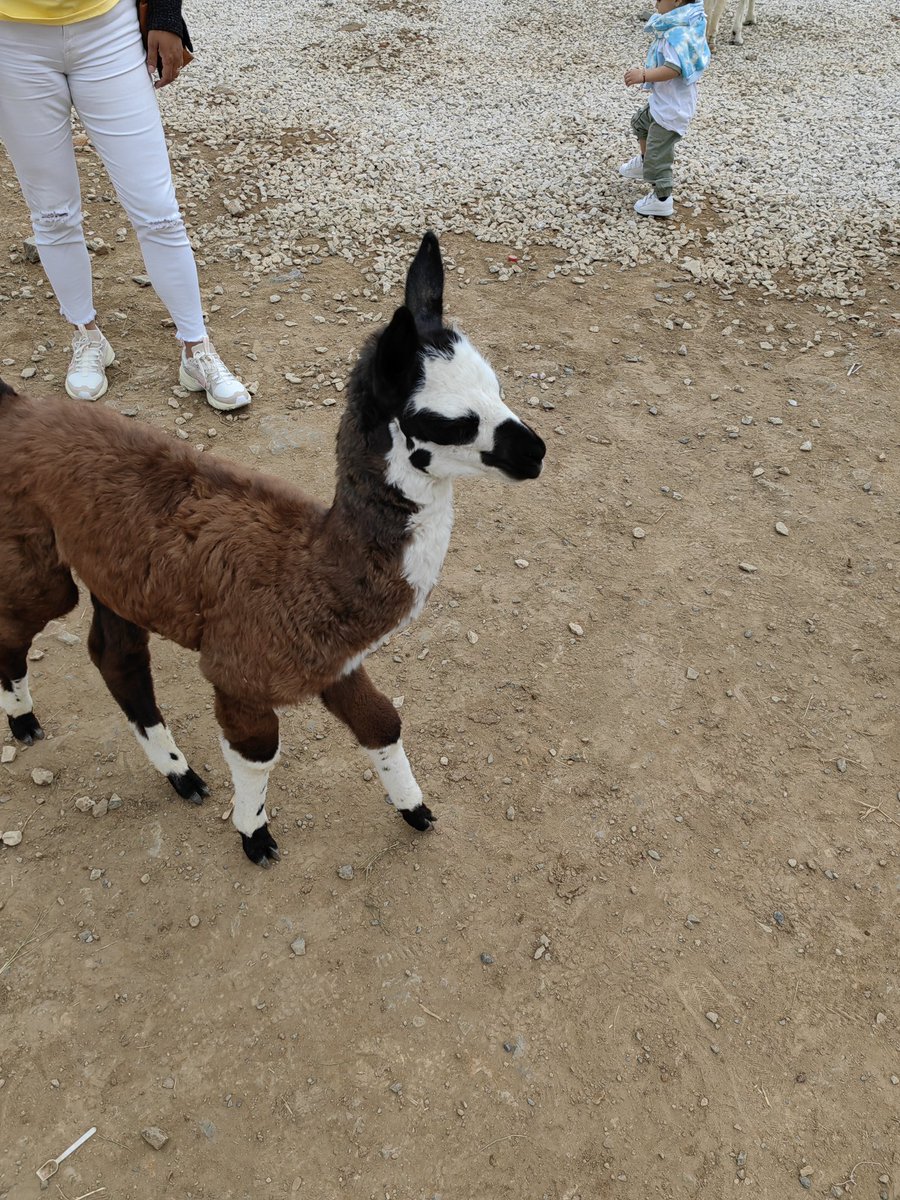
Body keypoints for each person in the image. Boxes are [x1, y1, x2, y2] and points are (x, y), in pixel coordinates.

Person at [0, 0, 251, 409]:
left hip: (106, 28)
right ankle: (87, 336)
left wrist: (166, 15)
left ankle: (196, 349)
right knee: (52, 213)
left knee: (158, 212)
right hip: (11, 38)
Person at [619, 0, 710, 219]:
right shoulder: (686, 21)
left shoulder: (676, 34)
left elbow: (674, 68)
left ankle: (662, 199)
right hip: (664, 101)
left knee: (659, 156)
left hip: (673, 108)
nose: (655, 2)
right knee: (640, 122)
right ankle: (644, 161)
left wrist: (644, 75)